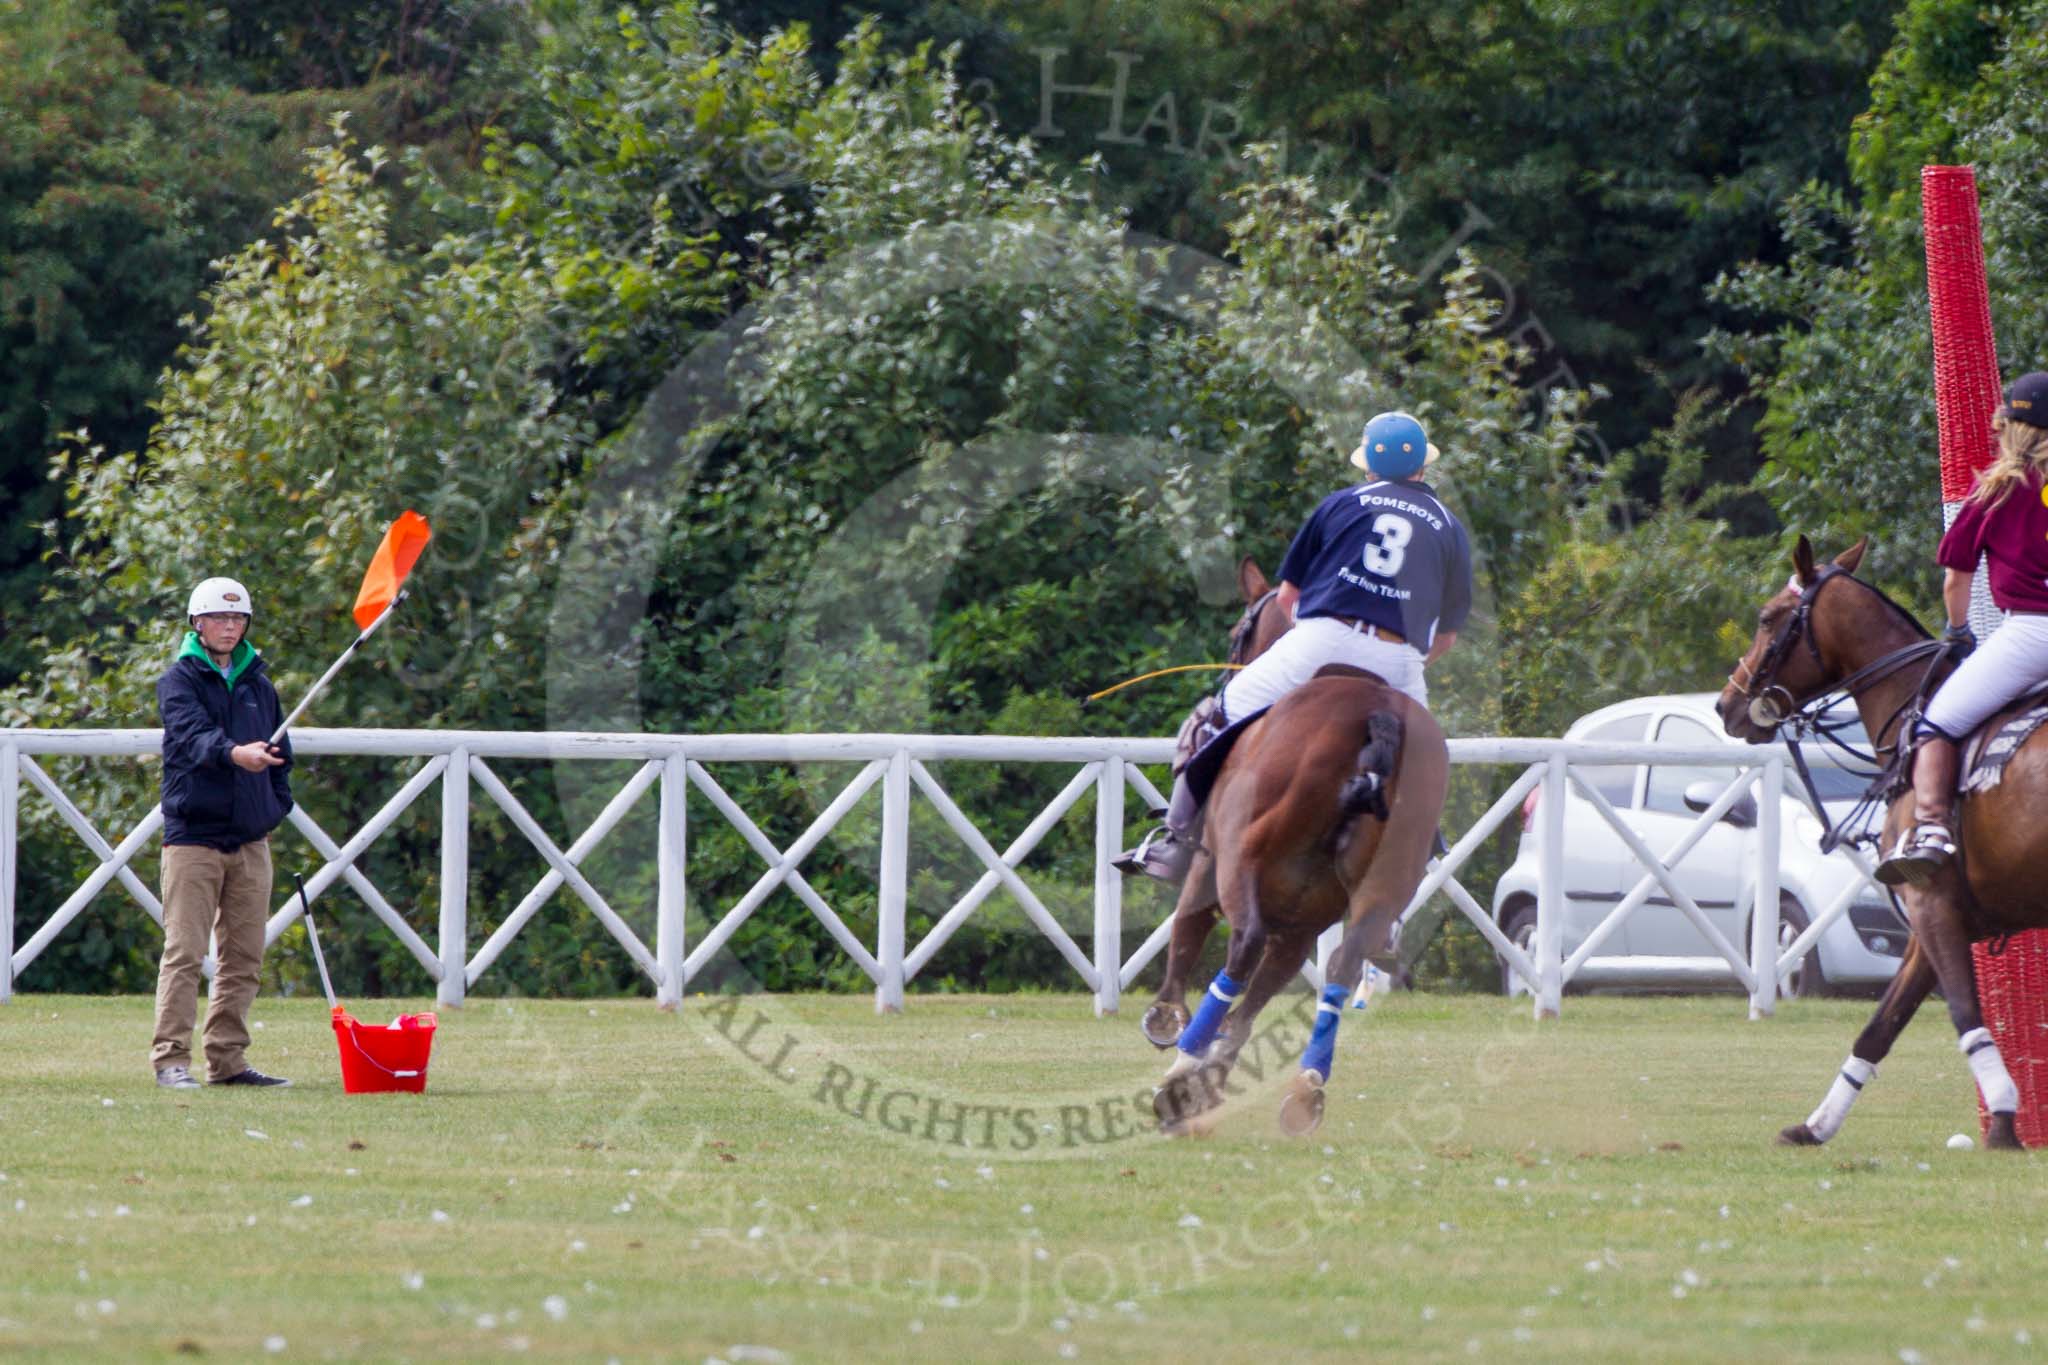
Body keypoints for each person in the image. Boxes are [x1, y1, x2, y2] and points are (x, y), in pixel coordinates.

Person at [1116, 411, 1474, 882]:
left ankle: (1175, 843)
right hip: (1399, 660)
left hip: (1320, 643)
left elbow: (1287, 599)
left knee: (1211, 716)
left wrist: (1317, 641)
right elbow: (1446, 635)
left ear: (1369, 468)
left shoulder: (1341, 504)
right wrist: (1400, 661)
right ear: (1422, 469)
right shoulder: (1450, 528)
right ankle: (1401, 886)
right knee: (1424, 767)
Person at [1877, 370, 2048, 886]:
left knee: (1937, 720)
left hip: (2031, 635)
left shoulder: (1995, 490)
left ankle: (1930, 829)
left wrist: (1957, 632)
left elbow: (1957, 579)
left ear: (2008, 427)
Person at [150, 577, 296, 1088]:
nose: (229, 627)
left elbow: (282, 758)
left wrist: (272, 808)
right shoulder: (179, 681)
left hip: (250, 843)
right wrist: (237, 754)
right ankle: (171, 1059)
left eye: (237, 619)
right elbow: (192, 738)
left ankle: (228, 1062)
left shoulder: (260, 685)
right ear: (198, 624)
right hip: (193, 839)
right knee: (185, 953)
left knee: (244, 959)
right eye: (218, 618)